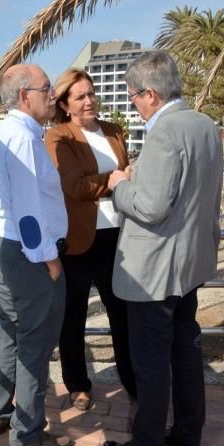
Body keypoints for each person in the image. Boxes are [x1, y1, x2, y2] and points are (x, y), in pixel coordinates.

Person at [104, 50, 224, 446]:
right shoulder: (205, 126)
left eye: (133, 96)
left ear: (151, 94)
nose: (133, 104)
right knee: (186, 352)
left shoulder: (164, 134)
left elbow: (151, 208)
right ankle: (188, 435)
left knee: (151, 361)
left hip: (154, 271)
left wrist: (120, 185)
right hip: (189, 264)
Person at [0, 63, 73, 446]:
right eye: (46, 88)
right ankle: (27, 432)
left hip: (6, 247)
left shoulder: (5, 134)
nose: (53, 94)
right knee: (34, 342)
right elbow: (29, 214)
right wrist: (49, 259)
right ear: (23, 96)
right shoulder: (22, 139)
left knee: (10, 331)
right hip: (27, 253)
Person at [45, 69, 136, 411]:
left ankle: (132, 380)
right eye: (80, 96)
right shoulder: (58, 137)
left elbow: (115, 179)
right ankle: (78, 385)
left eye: (91, 93)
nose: (89, 100)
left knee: (123, 315)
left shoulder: (114, 131)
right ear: (66, 105)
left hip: (119, 238)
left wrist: (115, 180)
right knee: (73, 318)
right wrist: (115, 179)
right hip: (79, 241)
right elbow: (74, 187)